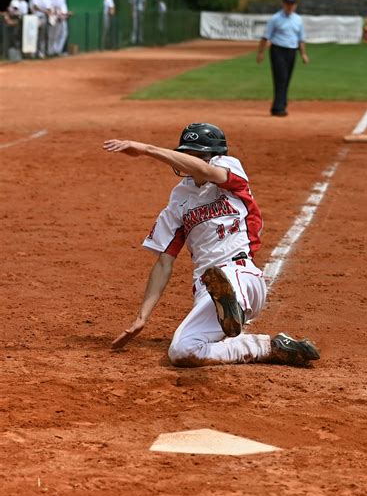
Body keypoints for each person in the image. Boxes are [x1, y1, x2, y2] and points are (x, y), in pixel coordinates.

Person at [103, 122, 320, 368]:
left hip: (241, 273)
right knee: (184, 351)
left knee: (221, 282)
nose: (191, 161)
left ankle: (231, 305)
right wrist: (141, 318)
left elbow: (206, 172)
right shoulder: (179, 200)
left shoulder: (229, 168)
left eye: (199, 155)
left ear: (214, 156)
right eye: (188, 154)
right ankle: (266, 345)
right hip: (208, 288)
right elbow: (164, 262)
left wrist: (146, 149)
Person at [256, 0, 309, 117]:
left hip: (291, 51)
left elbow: (301, 39)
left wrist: (303, 54)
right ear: (283, 4)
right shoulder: (275, 18)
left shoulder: (298, 19)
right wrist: (260, 52)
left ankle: (281, 105)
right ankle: (278, 108)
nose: (290, 6)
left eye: (292, 4)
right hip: (278, 50)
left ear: (295, 5)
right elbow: (265, 37)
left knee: (287, 79)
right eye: (288, 4)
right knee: (281, 78)